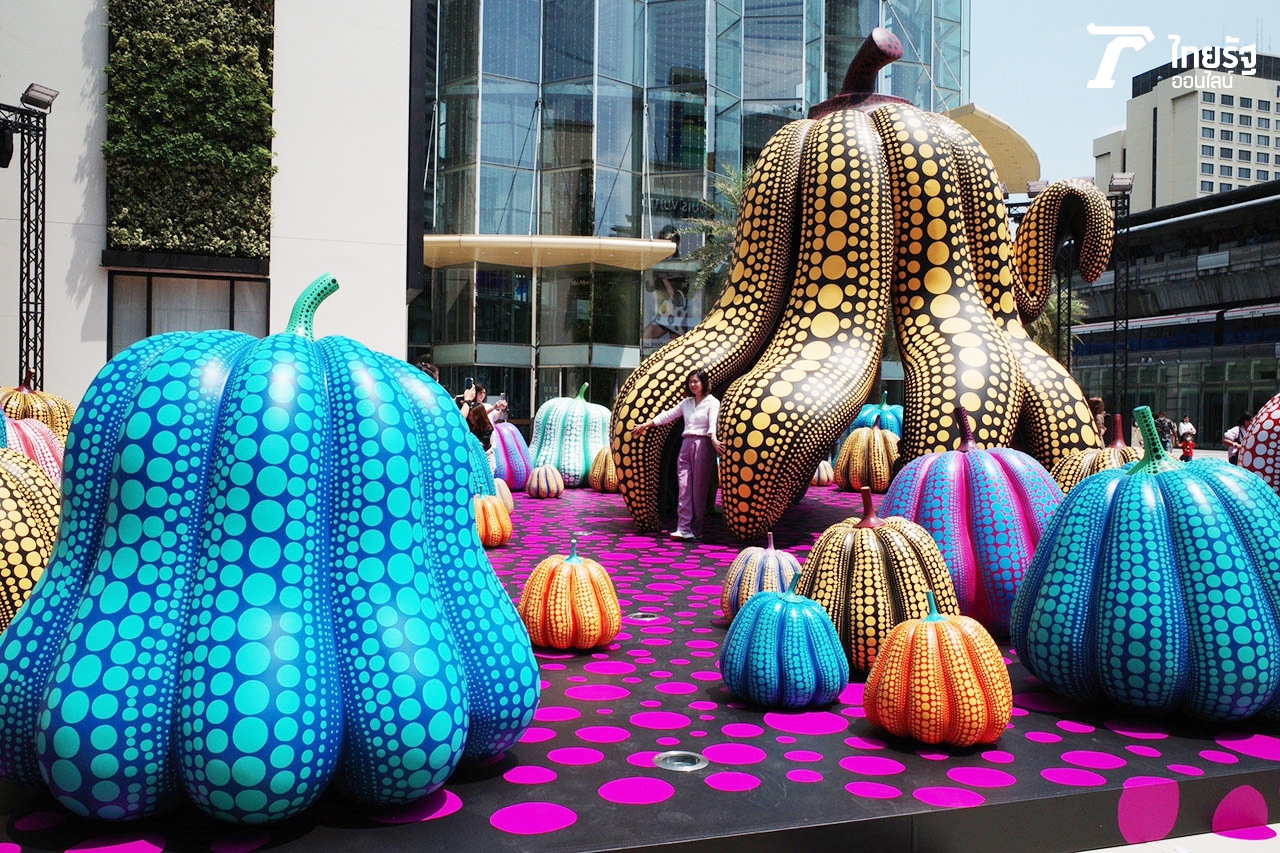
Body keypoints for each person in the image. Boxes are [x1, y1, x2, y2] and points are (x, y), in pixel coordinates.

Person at [631, 369, 725, 540]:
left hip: (703, 444)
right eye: (690, 382)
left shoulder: (712, 402)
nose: (693, 385)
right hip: (686, 444)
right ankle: (683, 528)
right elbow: (668, 415)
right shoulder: (686, 403)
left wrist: (714, 439)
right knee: (684, 487)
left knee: (699, 489)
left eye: (696, 381)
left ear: (704, 383)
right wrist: (646, 425)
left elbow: (713, 423)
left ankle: (696, 529)